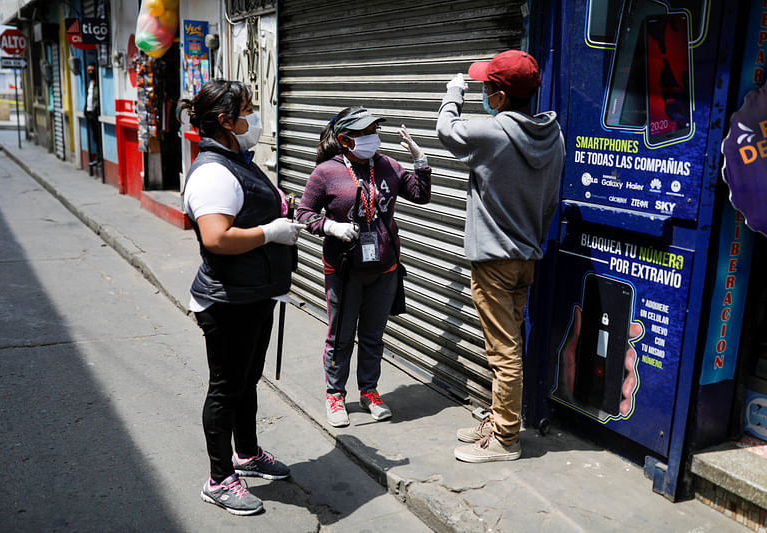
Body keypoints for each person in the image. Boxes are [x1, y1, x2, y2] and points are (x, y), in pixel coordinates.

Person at [180, 79, 305, 515]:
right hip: (228, 302)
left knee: (247, 379)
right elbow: (216, 237)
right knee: (226, 389)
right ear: (225, 121)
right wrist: (270, 231)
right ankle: (219, 480)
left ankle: (247, 454)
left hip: (254, 295)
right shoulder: (214, 171)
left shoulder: (238, 161)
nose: (255, 117)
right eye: (248, 109)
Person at [436, 51, 565, 462]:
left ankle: (506, 437)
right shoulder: (553, 136)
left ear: (502, 96)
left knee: (502, 350)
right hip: (526, 256)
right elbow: (549, 204)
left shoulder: (491, 134)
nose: (483, 92)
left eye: (487, 88)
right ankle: (499, 417)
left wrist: (452, 95)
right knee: (508, 343)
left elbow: (445, 129)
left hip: (494, 261)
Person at [296, 107, 431, 428]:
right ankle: (335, 394)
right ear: (345, 139)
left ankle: (369, 391)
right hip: (344, 270)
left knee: (373, 336)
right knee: (340, 337)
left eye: (374, 130)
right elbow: (303, 214)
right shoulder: (326, 172)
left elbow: (421, 195)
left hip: (384, 267)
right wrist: (330, 227)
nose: (373, 137)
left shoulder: (388, 166)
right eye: (365, 132)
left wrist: (421, 160)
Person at [84, 63, 102, 171]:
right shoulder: (89, 84)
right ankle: (97, 157)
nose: (90, 72)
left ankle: (100, 158)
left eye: (92, 70)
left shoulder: (98, 84)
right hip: (89, 112)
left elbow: (96, 98)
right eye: (88, 70)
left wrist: (96, 110)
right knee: (95, 137)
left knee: (99, 137)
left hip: (96, 114)